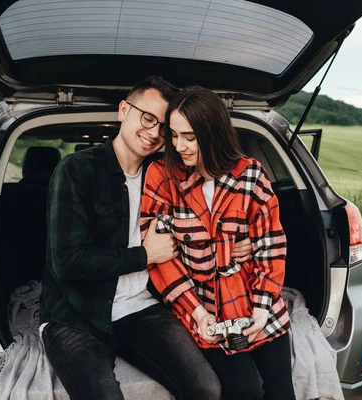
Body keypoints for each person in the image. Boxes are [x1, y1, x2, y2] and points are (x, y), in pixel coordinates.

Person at [39, 76, 252, 400]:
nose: (153, 132)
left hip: (141, 308)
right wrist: (145, 254)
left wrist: (236, 245)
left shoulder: (169, 178)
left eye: (163, 127)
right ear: (124, 110)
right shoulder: (77, 170)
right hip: (75, 314)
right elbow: (68, 263)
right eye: (147, 118)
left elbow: (208, 225)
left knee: (206, 389)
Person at [141, 86, 296, 400]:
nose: (179, 145)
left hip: (257, 302)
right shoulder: (161, 176)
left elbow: (271, 244)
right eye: (173, 135)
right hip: (204, 312)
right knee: (244, 390)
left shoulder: (250, 175)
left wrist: (263, 310)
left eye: (190, 136)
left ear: (213, 133)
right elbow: (161, 260)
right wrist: (198, 314)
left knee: (281, 391)